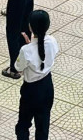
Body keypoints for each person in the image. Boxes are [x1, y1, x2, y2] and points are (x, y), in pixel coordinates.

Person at [15, 9, 58, 140]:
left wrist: (29, 46)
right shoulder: (52, 41)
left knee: (23, 124)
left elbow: (18, 67)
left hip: (31, 90)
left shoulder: (26, 50)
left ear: (30, 27)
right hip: (47, 86)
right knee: (43, 126)